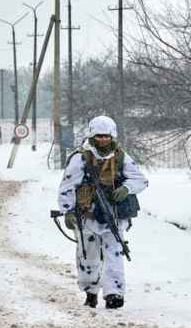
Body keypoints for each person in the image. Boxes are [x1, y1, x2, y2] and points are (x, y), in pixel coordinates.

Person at [58, 116, 148, 309]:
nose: (103, 140)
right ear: (92, 135)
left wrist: (125, 189)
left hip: (112, 217)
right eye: (99, 136)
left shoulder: (120, 156)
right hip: (87, 216)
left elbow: (140, 180)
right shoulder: (80, 157)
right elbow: (67, 186)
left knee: (114, 254)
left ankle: (114, 293)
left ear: (112, 135)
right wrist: (68, 211)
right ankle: (91, 291)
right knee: (87, 256)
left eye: (106, 136)